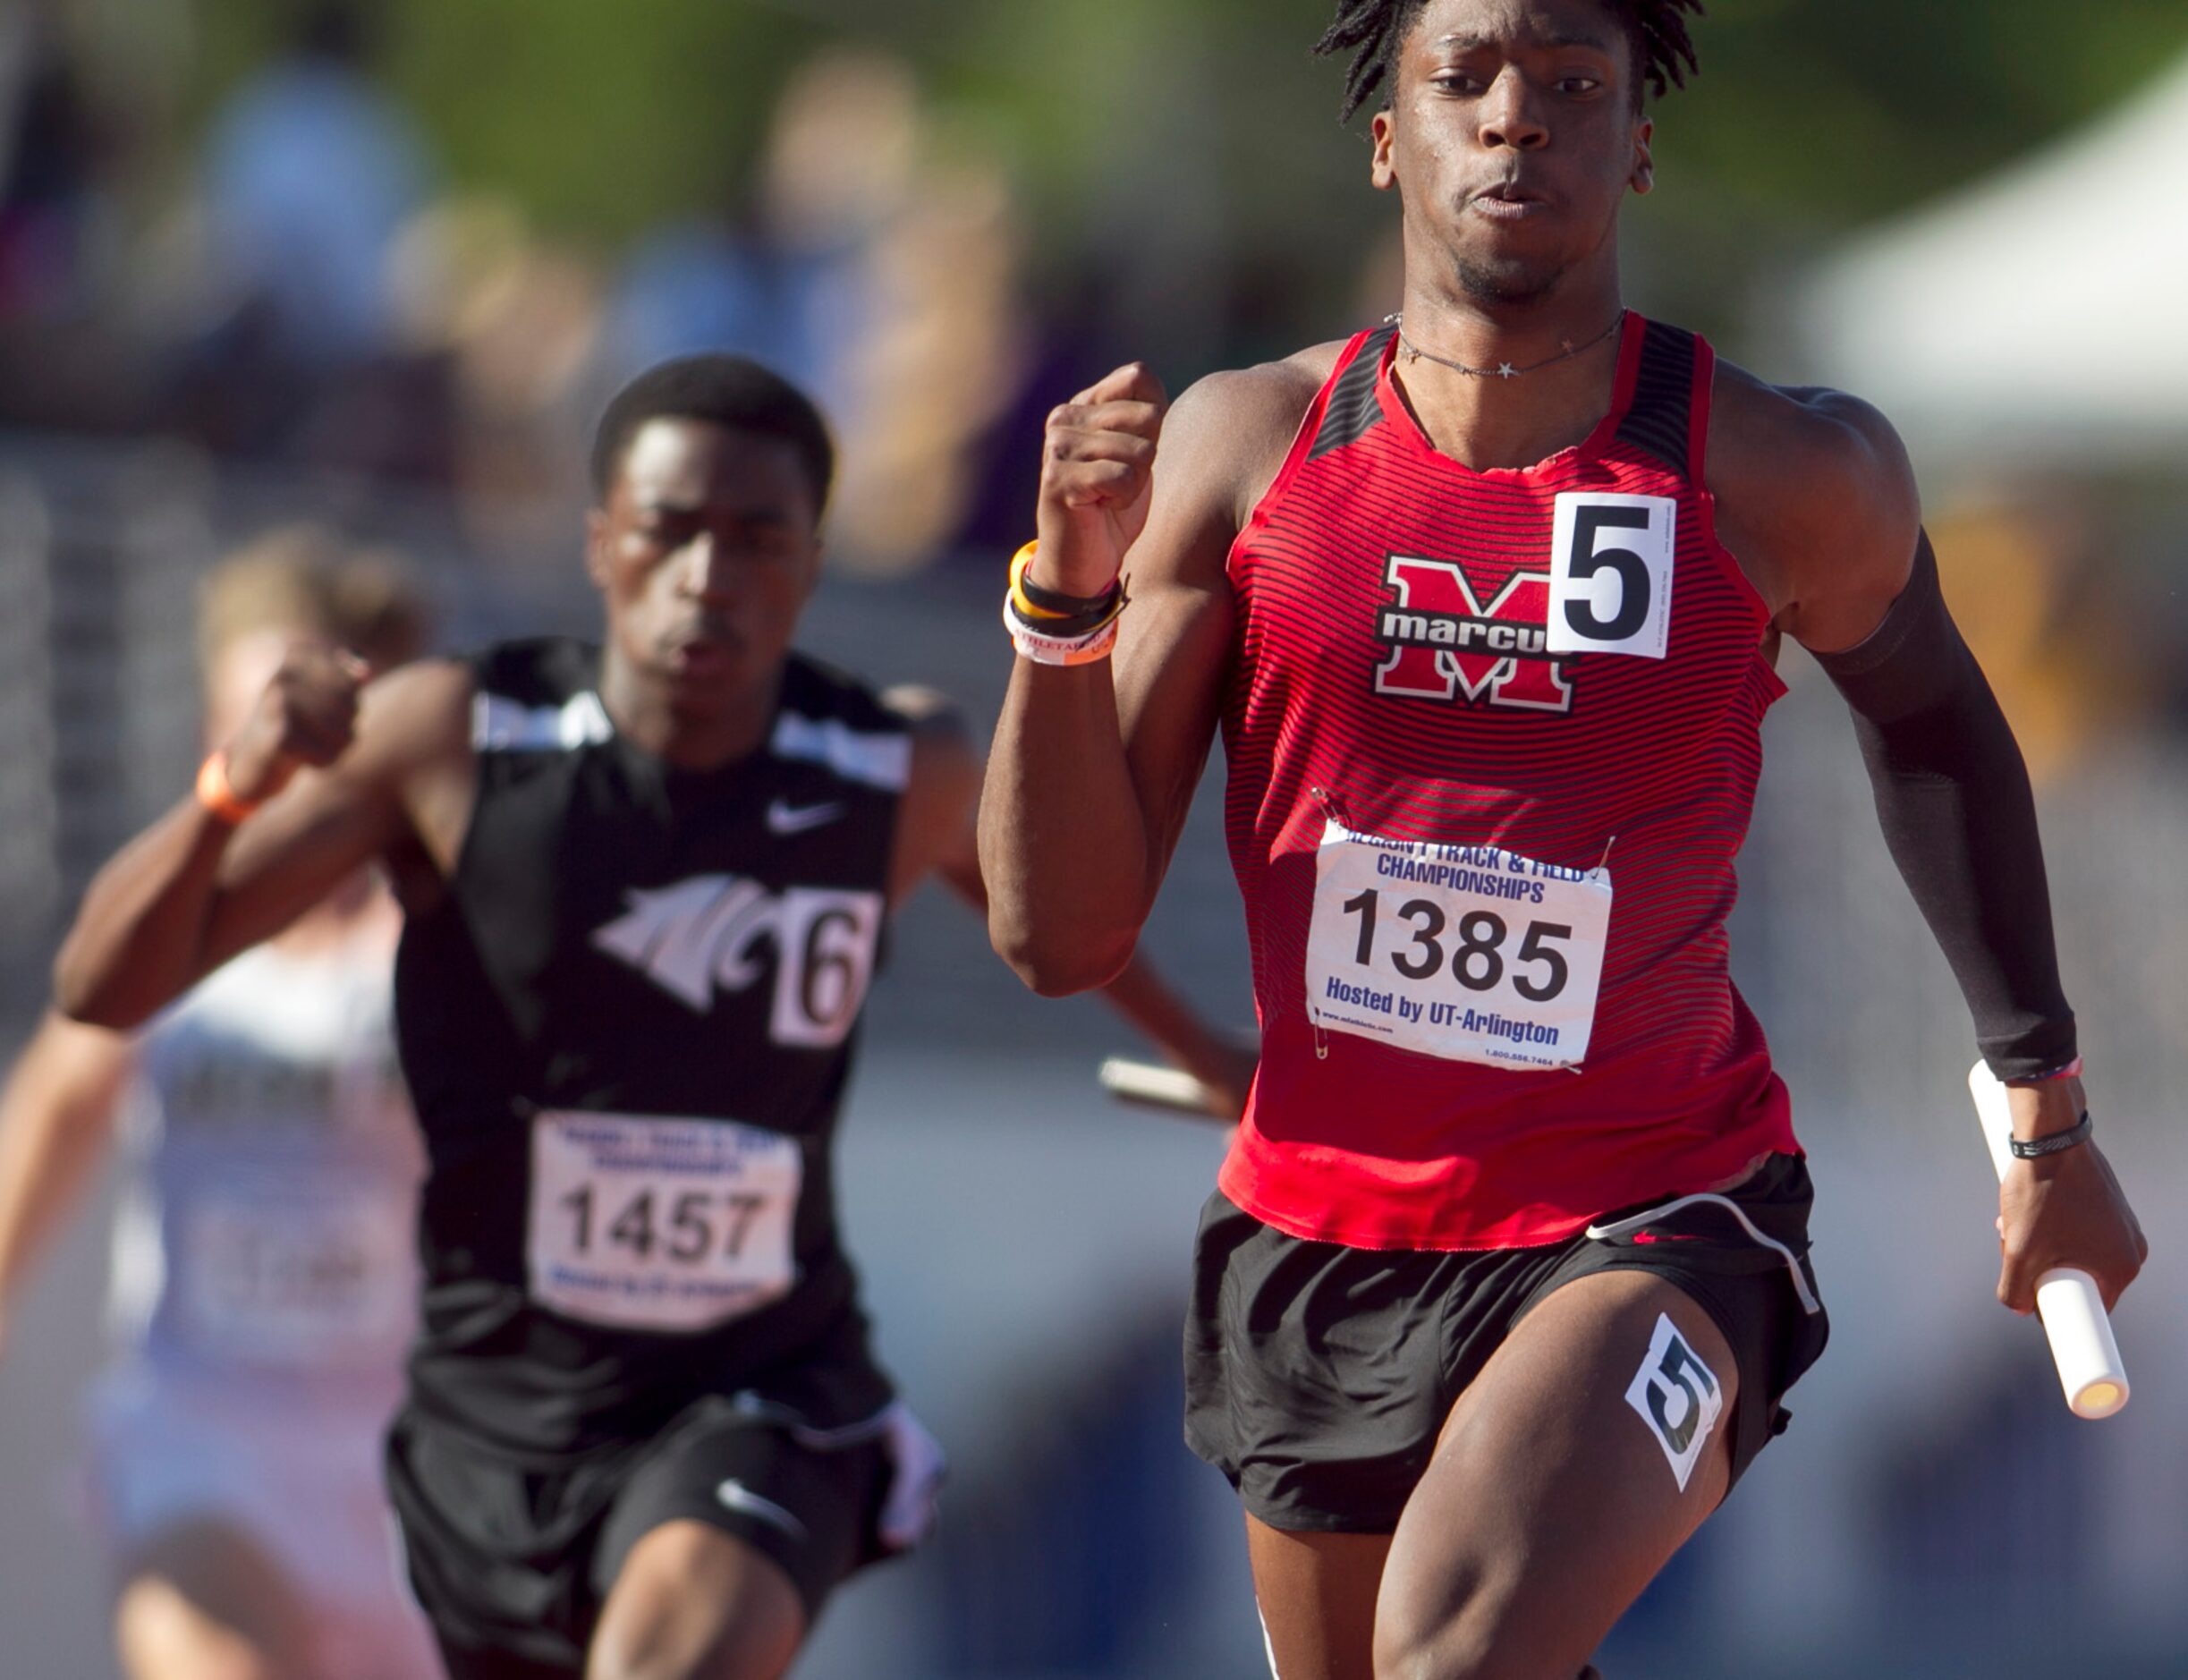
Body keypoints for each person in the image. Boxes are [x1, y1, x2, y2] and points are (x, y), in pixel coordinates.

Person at [975, 4, 2149, 1677]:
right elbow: (1058, 934)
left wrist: (2047, 1117)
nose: (1516, 122)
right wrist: (1063, 607)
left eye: (1574, 88)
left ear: (1636, 144)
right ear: (1388, 135)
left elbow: (1939, 729)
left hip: (1654, 1217)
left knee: (1453, 1652)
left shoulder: (1779, 469)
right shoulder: (1248, 454)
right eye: (1464, 81)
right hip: (1319, 1240)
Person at [53, 352, 1249, 1680]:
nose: (708, 578)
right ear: (599, 544)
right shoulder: (456, 740)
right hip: (494, 1418)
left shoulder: (883, 764)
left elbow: (1059, 925)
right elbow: (101, 987)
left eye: (755, 539)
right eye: (671, 531)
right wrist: (235, 788)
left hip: (754, 1386)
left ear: (809, 561)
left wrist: (1220, 1062)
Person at [0, 530, 438, 1680]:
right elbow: (56, 1101)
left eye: (315, 734)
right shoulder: (164, 934)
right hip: (207, 1445)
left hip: (433, 1466)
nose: (283, 766)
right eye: (256, 726)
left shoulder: (458, 945)